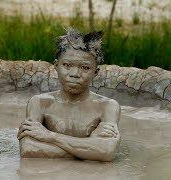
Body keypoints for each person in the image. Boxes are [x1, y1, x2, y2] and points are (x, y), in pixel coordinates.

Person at [17, 28, 121, 161]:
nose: (75, 74)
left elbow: (107, 151)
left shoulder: (107, 106)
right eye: (67, 65)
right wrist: (91, 149)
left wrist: (50, 136)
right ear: (56, 65)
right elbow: (28, 149)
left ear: (96, 72)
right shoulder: (40, 103)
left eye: (85, 68)